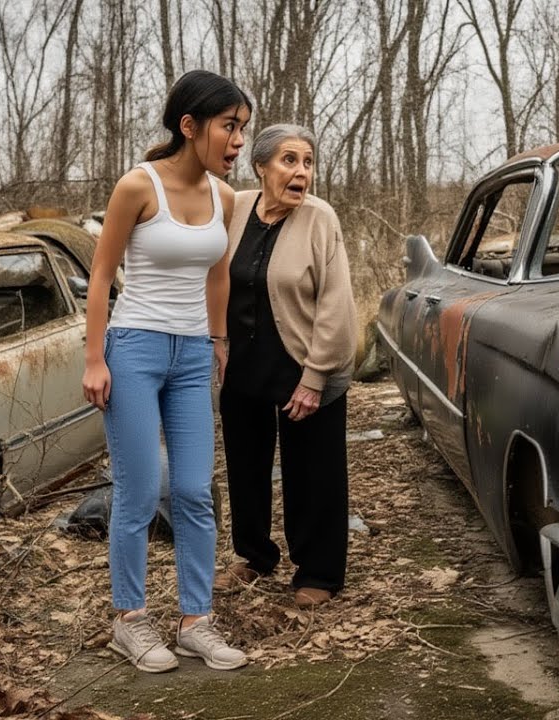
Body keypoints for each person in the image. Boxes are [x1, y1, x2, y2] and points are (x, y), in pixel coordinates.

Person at [82, 70, 251, 673]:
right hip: (134, 349)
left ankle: (195, 622)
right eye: (229, 126)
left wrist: (218, 339)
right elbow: (101, 276)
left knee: (194, 492)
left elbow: (218, 275)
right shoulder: (138, 185)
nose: (238, 141)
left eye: (243, 128)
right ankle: (129, 620)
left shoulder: (224, 198)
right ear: (190, 125)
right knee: (137, 494)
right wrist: (94, 358)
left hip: (193, 356)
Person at [213, 124, 358, 608]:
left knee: (314, 471)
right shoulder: (234, 207)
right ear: (261, 166)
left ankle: (317, 571)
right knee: (245, 467)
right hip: (243, 365)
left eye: (308, 162)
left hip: (304, 363)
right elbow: (213, 277)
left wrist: (316, 377)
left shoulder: (320, 218)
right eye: (289, 160)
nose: (302, 172)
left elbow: (336, 303)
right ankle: (255, 556)